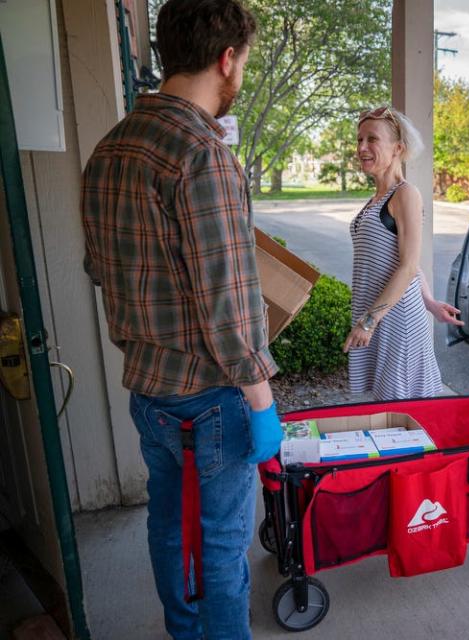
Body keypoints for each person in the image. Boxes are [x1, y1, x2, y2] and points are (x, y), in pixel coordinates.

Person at [80, 1, 281, 637]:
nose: (239, 76)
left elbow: (99, 266)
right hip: (212, 397)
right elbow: (230, 305)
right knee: (221, 546)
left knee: (168, 525)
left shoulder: (109, 149)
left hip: (147, 390)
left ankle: (184, 632)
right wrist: (262, 400)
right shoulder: (203, 155)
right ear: (227, 59)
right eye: (242, 63)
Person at [342, 106, 463, 400]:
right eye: (359, 140)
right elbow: (407, 262)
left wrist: (368, 321)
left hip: (397, 320)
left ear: (397, 148)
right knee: (387, 407)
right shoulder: (376, 199)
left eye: (372, 139)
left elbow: (407, 267)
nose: (362, 147)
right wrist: (431, 302)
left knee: (403, 408)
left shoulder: (405, 194)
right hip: (380, 315)